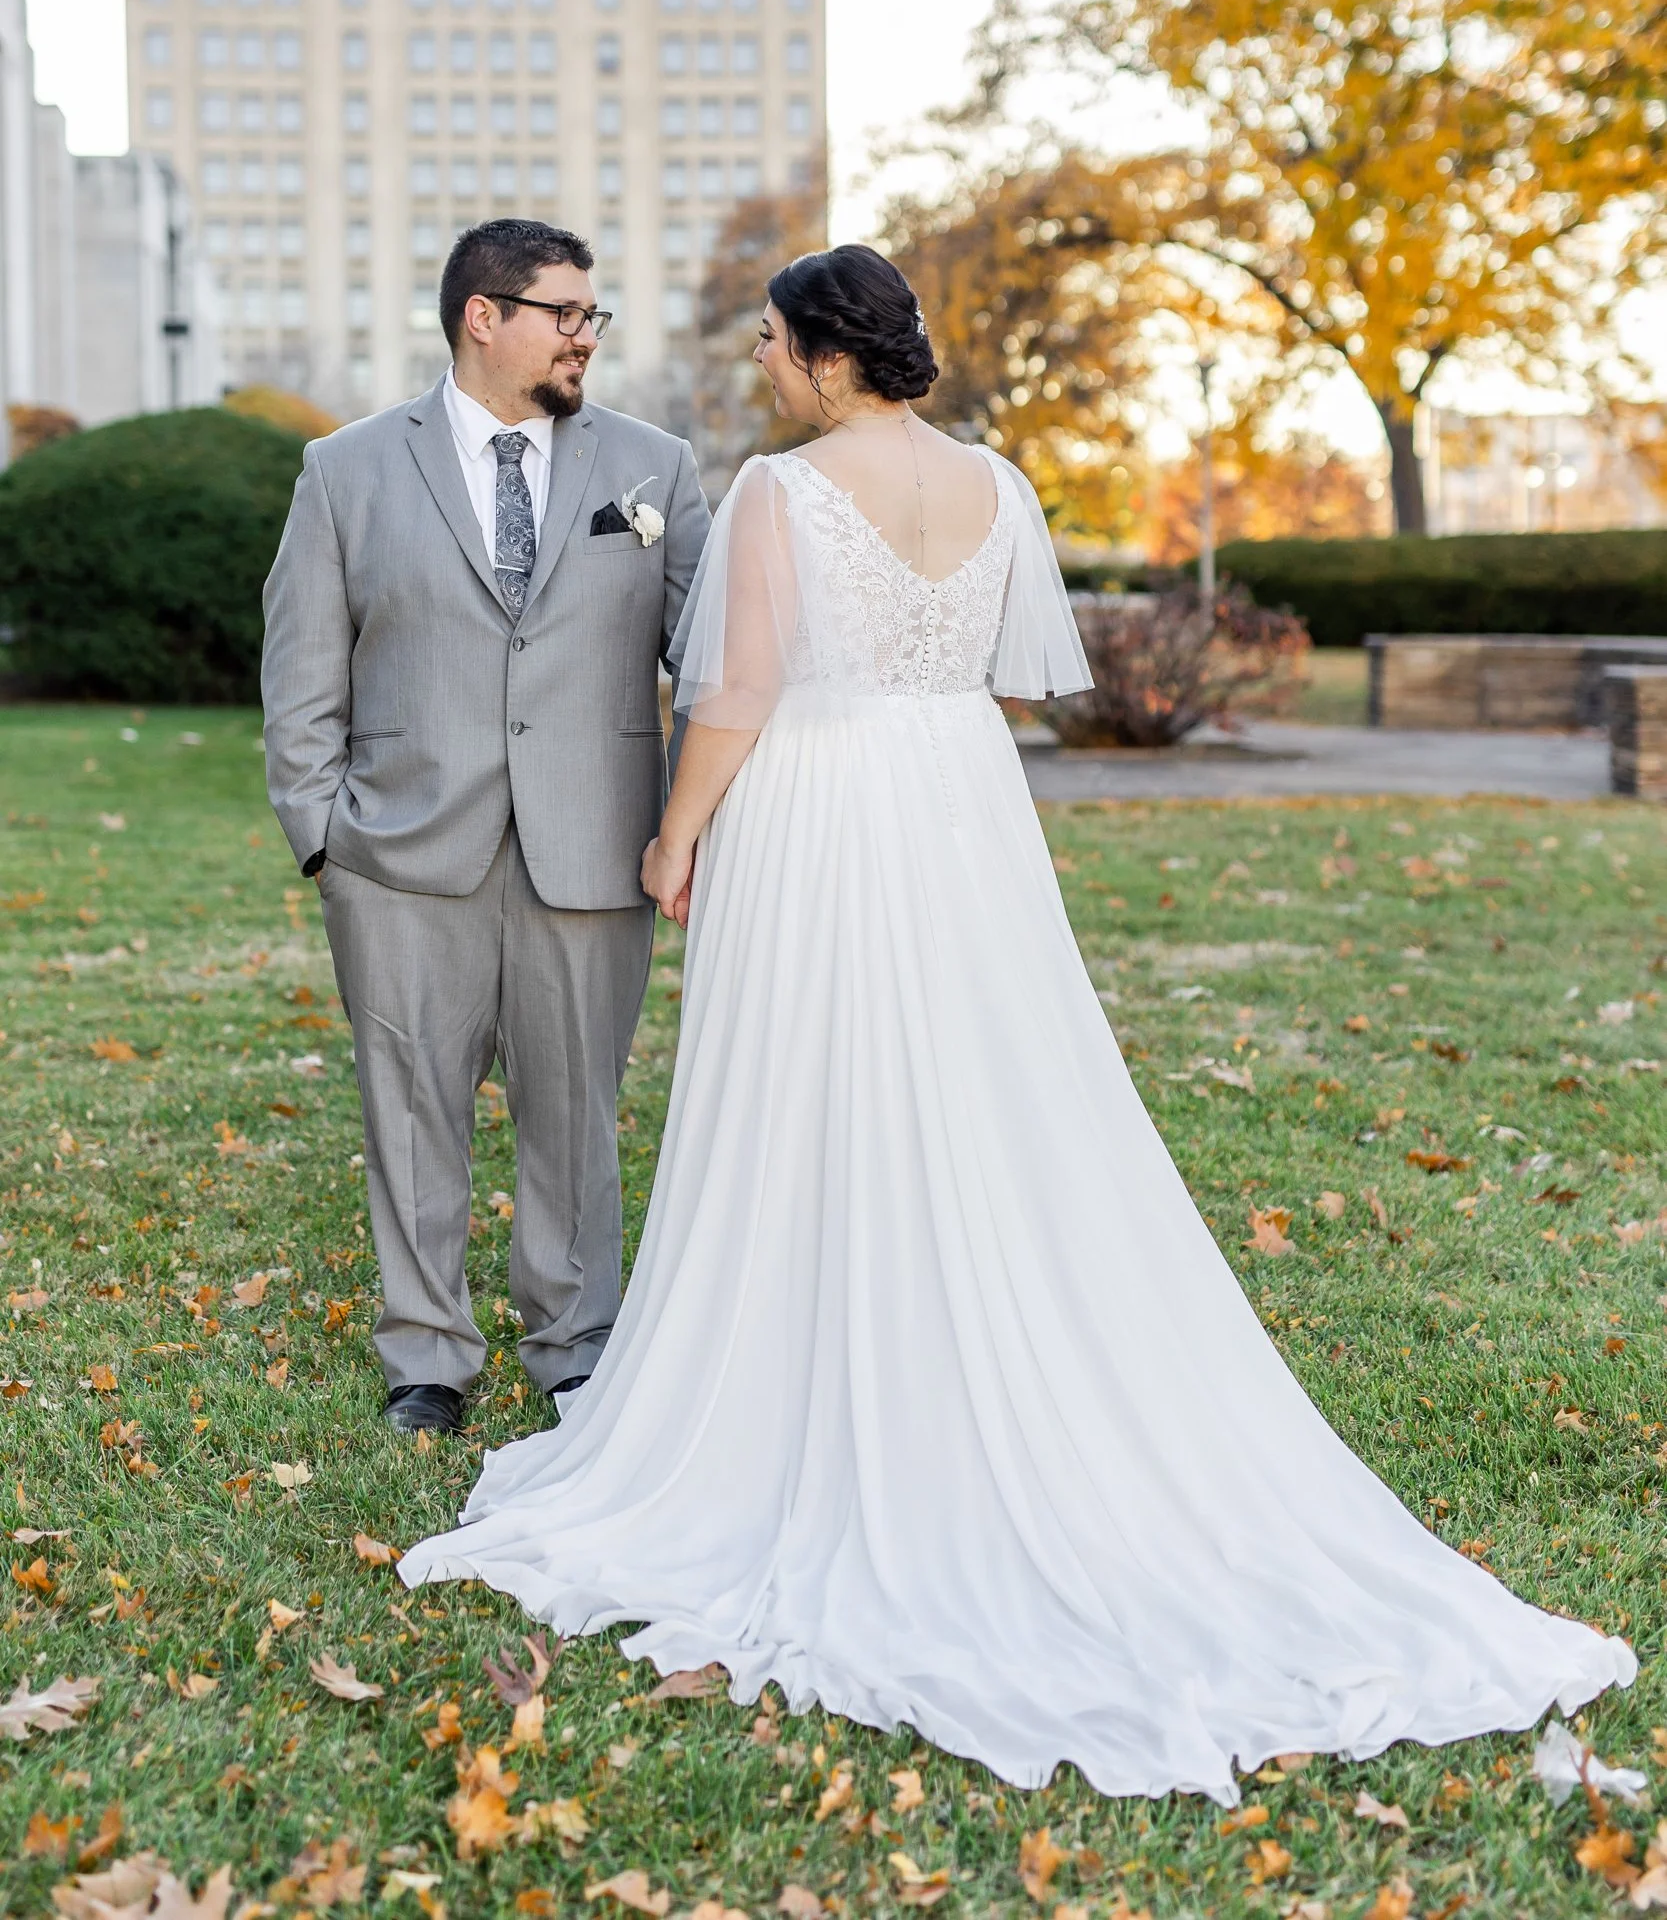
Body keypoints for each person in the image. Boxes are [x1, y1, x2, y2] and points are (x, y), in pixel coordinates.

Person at [398, 243, 1633, 1801]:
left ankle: (823, 1366)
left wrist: (671, 836)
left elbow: (741, 691)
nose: (760, 362)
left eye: (771, 340)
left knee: (818, 1084)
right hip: (955, 804)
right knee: (969, 1077)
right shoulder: (996, 486)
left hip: (824, 806)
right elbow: (997, 675)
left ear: (828, 353)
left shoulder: (779, 493)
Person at [261, 218, 710, 1437]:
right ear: (482, 316)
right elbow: (301, 675)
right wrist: (323, 836)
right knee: (410, 1111)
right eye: (565, 313)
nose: (585, 335)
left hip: (594, 851)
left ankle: (574, 1344)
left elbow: (710, 660)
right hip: (399, 857)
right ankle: (427, 1357)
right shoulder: (346, 469)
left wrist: (684, 821)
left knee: (576, 1112)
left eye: (590, 315)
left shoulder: (654, 466)